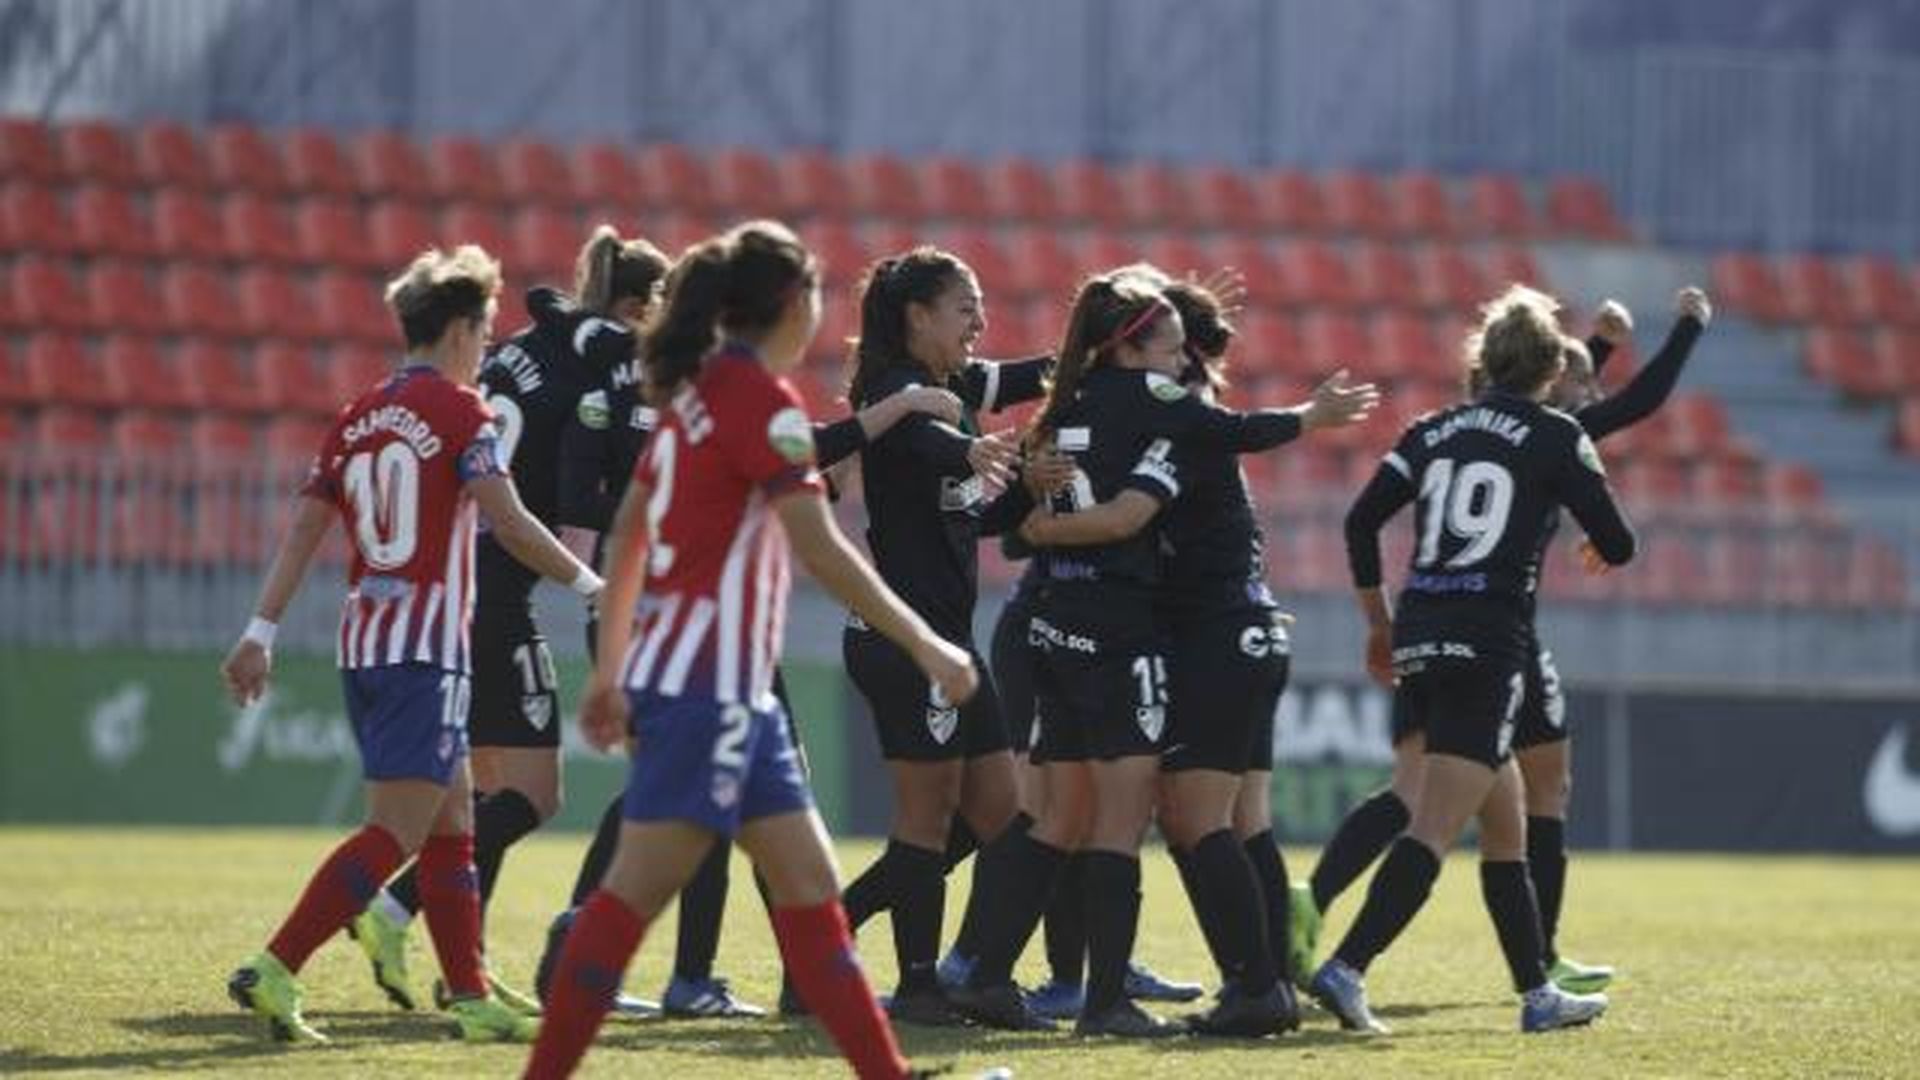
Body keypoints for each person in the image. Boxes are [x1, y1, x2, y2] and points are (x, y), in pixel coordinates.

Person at [524, 220, 978, 1080]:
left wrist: (615, 668)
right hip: (710, 691)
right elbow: (821, 548)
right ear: (787, 303)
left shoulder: (691, 399)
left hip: (724, 695)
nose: (819, 312)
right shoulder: (759, 403)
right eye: (813, 292)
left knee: (811, 902)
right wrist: (927, 645)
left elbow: (624, 538)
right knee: (626, 908)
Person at [220, 245, 604, 1045]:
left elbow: (304, 530)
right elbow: (509, 520)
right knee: (396, 828)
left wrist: (261, 630)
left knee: (453, 821)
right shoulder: (464, 412)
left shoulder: (358, 414)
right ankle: (277, 964)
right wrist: (595, 587)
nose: (488, 345)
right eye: (486, 329)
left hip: (366, 642)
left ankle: (469, 996)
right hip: (425, 649)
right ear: (461, 327)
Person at [953, 271, 1351, 1036]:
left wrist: (1018, 513)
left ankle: (986, 976)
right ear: (1128, 348)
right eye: (1170, 347)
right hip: (1118, 632)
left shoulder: (1055, 412)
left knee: (1056, 815)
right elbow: (1223, 440)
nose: (1182, 362)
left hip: (1053, 626)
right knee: (1130, 819)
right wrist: (1310, 415)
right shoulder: (1159, 405)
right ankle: (1113, 1001)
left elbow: (994, 523)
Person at [1293, 287, 1712, 992]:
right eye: (1577, 370)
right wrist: (1688, 328)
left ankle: (1534, 984)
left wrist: (1378, 621)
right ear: (1553, 371)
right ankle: (1351, 965)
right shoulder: (1557, 436)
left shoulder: (1435, 429)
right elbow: (1606, 475)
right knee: (1453, 816)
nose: (1587, 382)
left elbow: (1363, 519)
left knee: (1484, 808)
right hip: (1495, 637)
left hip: (1420, 626)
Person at [349, 226, 672, 1018]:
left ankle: (467, 973)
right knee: (533, 793)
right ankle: (391, 907)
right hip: (494, 596)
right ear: (635, 310)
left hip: (456, 584)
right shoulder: (604, 362)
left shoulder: (530, 344)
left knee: (483, 801)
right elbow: (563, 496)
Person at [834, 246, 1049, 1024]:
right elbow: (931, 448)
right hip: (902, 640)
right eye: (965, 308)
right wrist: (973, 450)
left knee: (1002, 814)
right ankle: (922, 987)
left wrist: (1096, 355)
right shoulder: (896, 393)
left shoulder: (955, 384)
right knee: (924, 820)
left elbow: (968, 509)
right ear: (917, 315)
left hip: (950, 642)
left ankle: (854, 937)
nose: (980, 323)